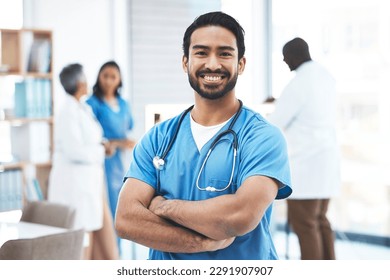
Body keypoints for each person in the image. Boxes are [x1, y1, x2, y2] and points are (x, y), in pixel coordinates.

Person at [115, 11, 292, 260]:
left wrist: (164, 206)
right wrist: (201, 242)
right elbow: (126, 219)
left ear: (240, 64)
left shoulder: (263, 137)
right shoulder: (158, 138)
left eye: (224, 53)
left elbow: (240, 216)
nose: (212, 64)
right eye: (201, 52)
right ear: (185, 62)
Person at [268, 37, 340, 260]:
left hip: (306, 166)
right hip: (326, 163)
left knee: (305, 225)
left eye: (285, 55)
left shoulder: (298, 83)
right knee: (320, 221)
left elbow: (276, 123)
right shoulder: (325, 76)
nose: (283, 60)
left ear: (296, 55)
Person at [48, 63, 118, 259]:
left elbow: (92, 137)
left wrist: (102, 144)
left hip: (89, 185)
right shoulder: (67, 112)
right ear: (80, 83)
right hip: (75, 188)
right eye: (85, 78)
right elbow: (74, 151)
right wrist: (100, 151)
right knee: (81, 241)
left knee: (95, 234)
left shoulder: (82, 108)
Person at [86, 61, 136, 222]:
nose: (108, 81)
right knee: (106, 211)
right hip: (102, 162)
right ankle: (110, 247)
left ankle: (117, 247)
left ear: (119, 80)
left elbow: (129, 128)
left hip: (121, 163)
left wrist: (125, 143)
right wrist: (117, 143)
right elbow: (90, 138)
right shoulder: (91, 104)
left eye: (113, 77)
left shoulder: (123, 104)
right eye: (105, 76)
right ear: (98, 77)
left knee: (122, 210)